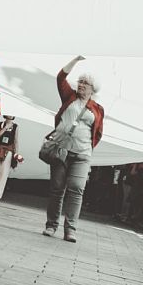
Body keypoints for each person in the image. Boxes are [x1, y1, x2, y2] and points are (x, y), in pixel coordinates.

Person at [44, 56, 105, 242]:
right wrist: (75, 60)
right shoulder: (69, 97)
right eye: (80, 82)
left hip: (82, 154)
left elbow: (98, 133)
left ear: (93, 89)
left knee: (77, 188)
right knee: (57, 189)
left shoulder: (98, 109)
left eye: (86, 83)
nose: (81, 85)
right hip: (62, 150)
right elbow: (60, 78)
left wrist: (86, 147)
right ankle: (51, 225)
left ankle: (70, 229)